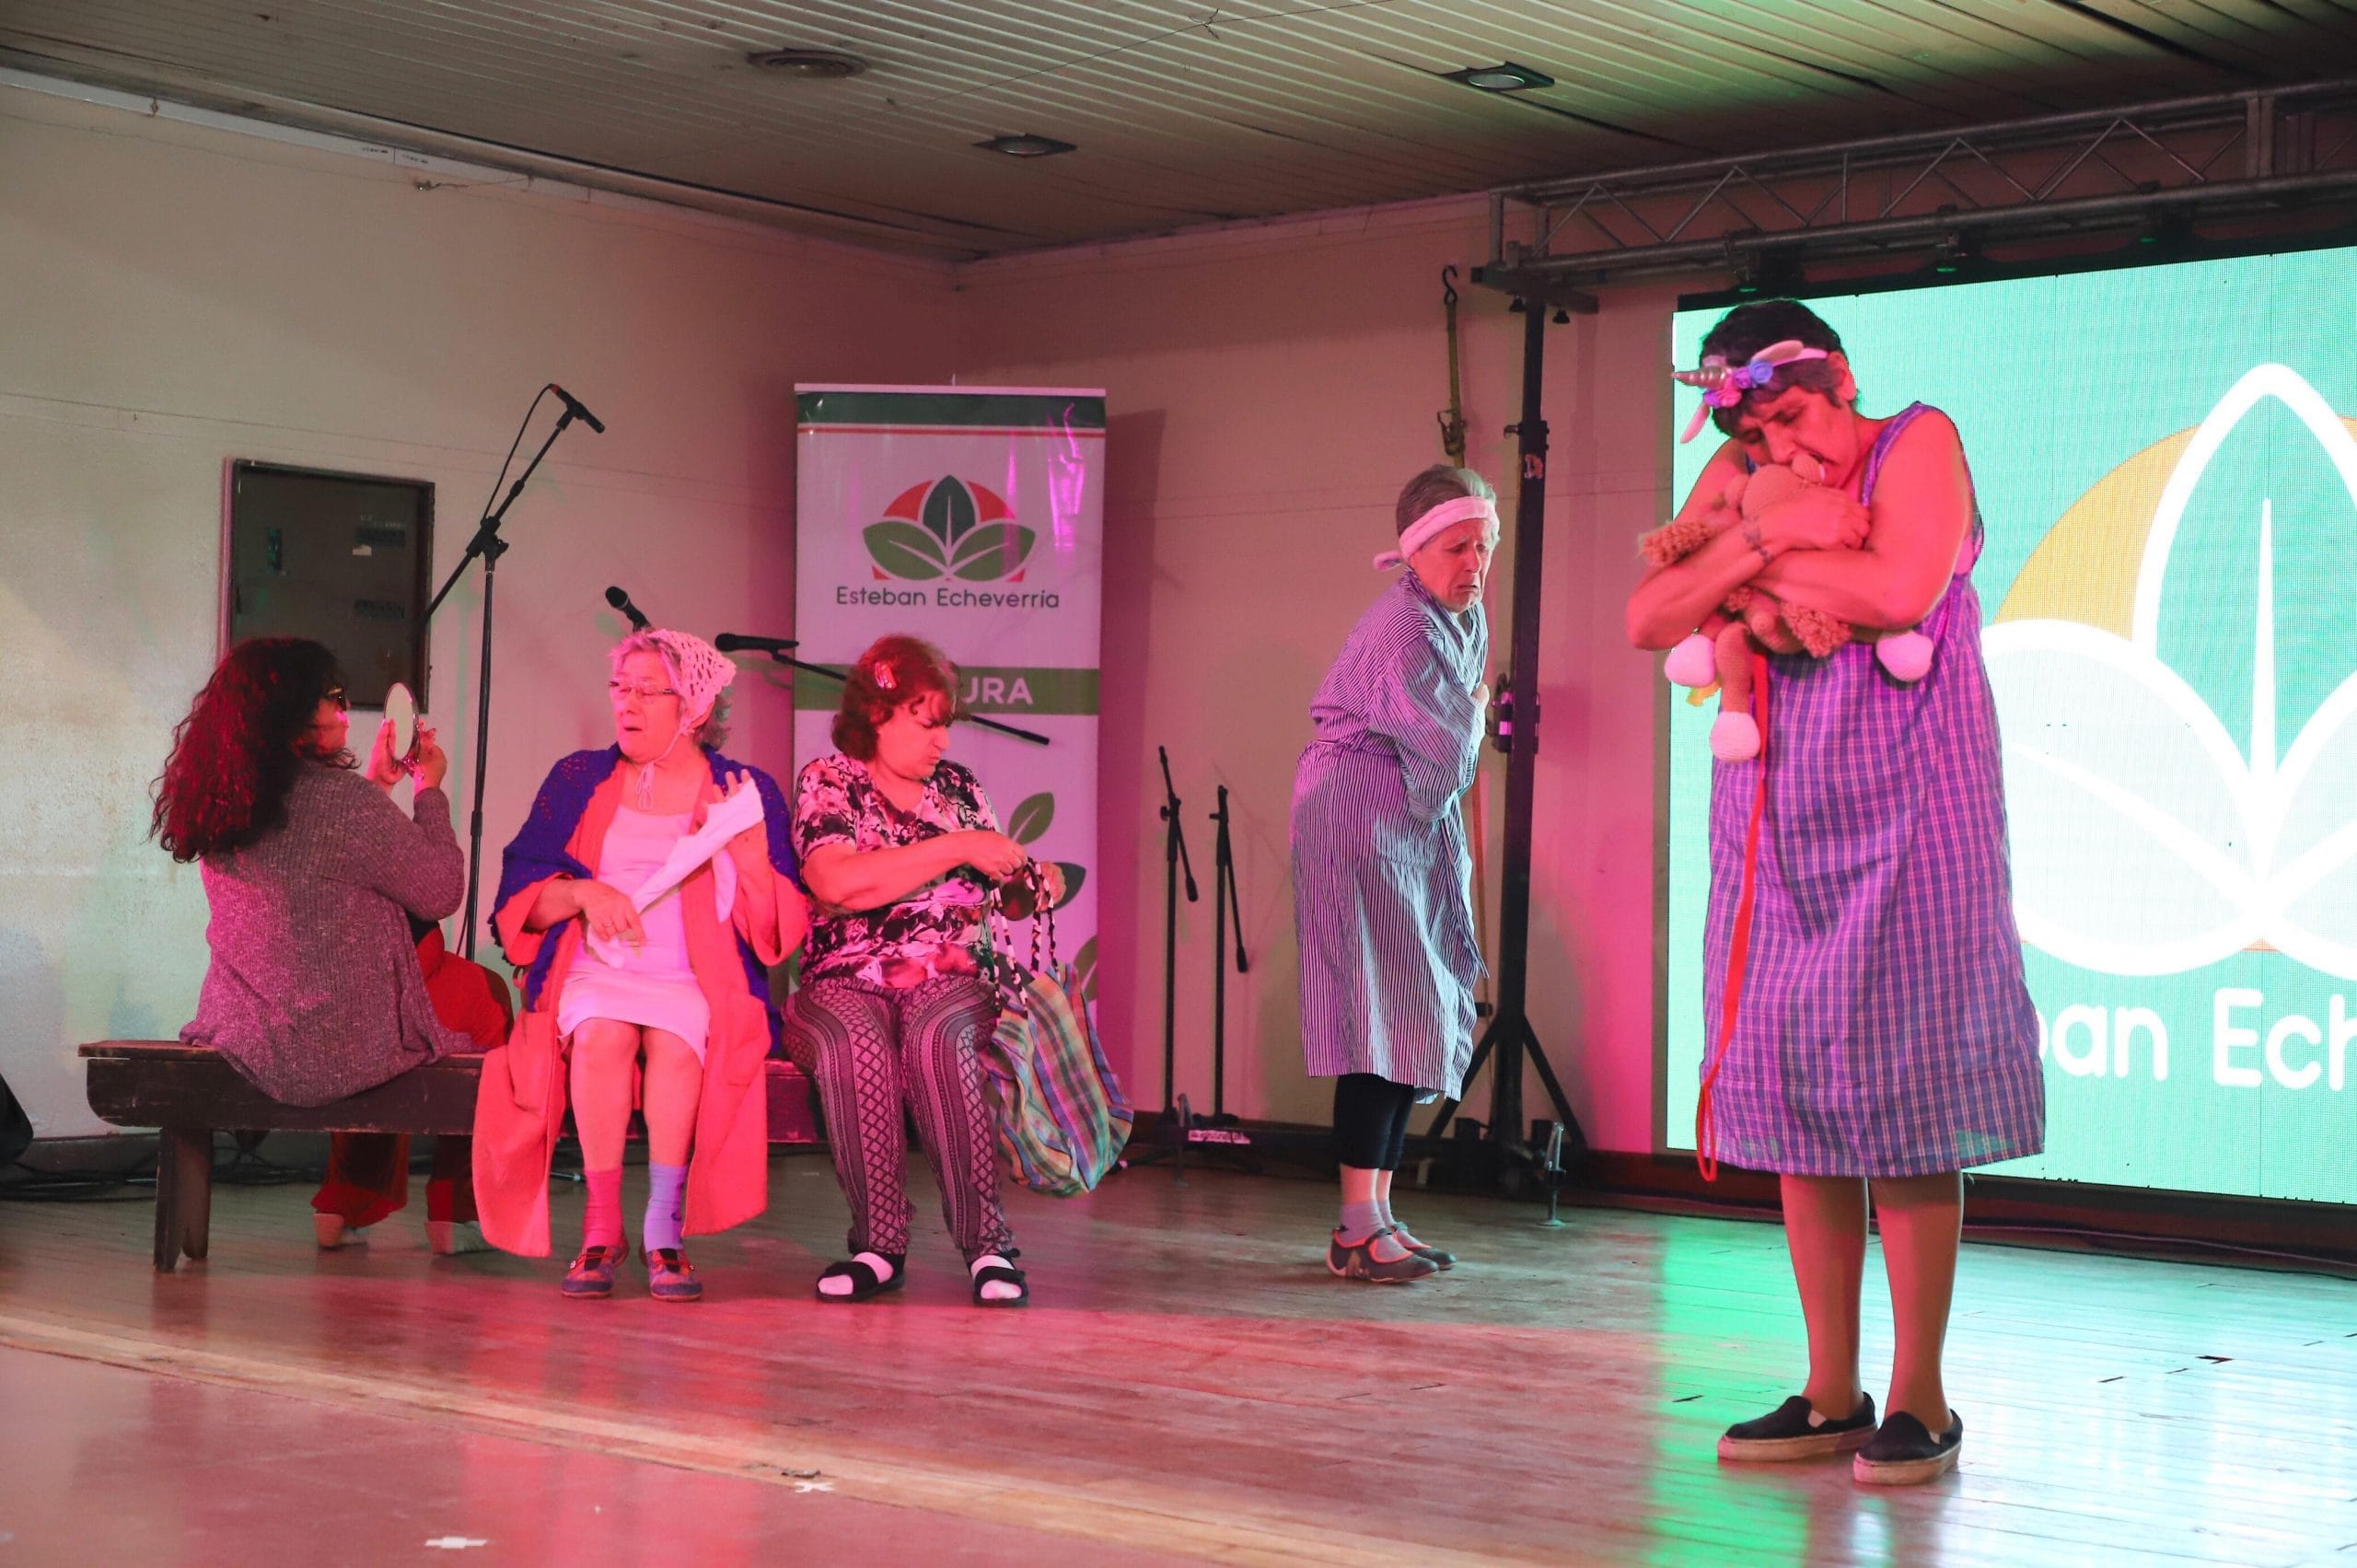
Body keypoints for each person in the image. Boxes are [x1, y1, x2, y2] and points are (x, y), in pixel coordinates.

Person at [1626, 297, 2044, 1485]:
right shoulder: (1749, 478)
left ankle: (1920, 1395)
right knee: (1799, 1094)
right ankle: (1829, 1387)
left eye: (1792, 418)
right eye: (1752, 435)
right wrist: (1762, 539)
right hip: (1780, 811)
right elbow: (1649, 615)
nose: (1777, 446)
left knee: (1906, 1097)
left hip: (1914, 805)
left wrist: (1748, 556)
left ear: (1841, 378)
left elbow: (1899, 588)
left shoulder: (1919, 439)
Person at [472, 629, 807, 1302]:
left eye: (648, 692)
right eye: (620, 688)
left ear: (695, 708)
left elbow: (778, 932)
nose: (626, 704)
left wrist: (749, 861)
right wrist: (584, 893)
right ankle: (602, 1228)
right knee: (601, 1035)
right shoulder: (578, 778)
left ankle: (663, 1229)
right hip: (594, 971)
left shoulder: (745, 789)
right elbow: (520, 898)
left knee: (678, 1044)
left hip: (694, 977)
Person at [159, 638, 510, 1255]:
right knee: (481, 996)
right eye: (333, 697)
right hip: (341, 1034)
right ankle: (457, 1211)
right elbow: (439, 891)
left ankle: (348, 1202)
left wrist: (375, 783)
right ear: (294, 713)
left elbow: (318, 856)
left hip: (253, 1028)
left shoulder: (225, 800)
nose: (345, 711)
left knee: (395, 996)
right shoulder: (342, 801)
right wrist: (429, 790)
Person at [784, 634, 1058, 1307]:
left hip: (952, 977)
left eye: (945, 723)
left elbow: (1006, 897)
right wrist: (959, 846)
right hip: (843, 979)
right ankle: (879, 1246)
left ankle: (988, 1245)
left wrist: (1031, 883)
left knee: (937, 1037)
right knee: (854, 1042)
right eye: (926, 722)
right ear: (877, 713)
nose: (942, 740)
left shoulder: (960, 789)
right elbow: (836, 883)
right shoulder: (829, 780)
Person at [1291, 464, 1497, 1283]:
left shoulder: (1460, 615)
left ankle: (1376, 1213)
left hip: (1403, 818)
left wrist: (1471, 712)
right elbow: (1448, 745)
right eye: (1457, 547)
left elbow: (1453, 739)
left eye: (1484, 545)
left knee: (1407, 1012)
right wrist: (1475, 710)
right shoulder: (1406, 627)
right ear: (1414, 551)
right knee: (1374, 1015)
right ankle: (1354, 1226)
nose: (1474, 563)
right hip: (1359, 819)